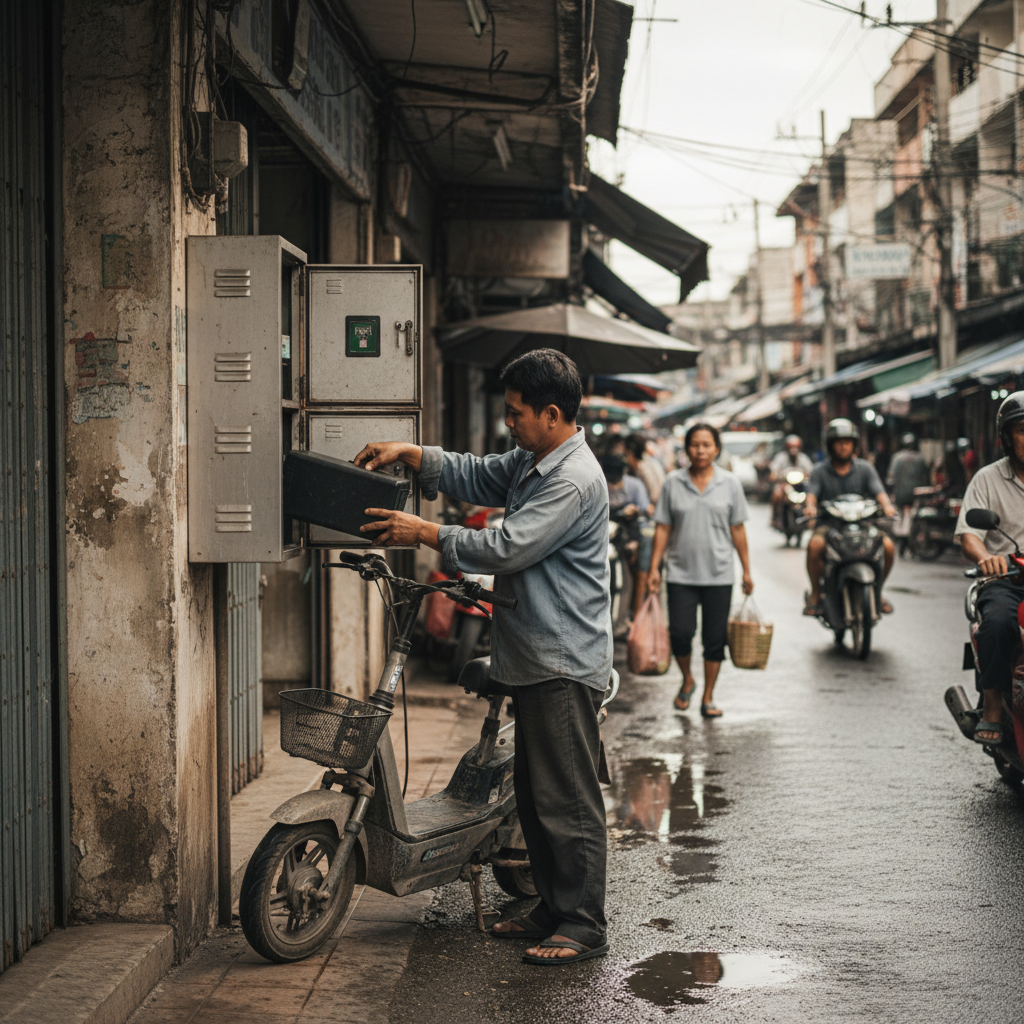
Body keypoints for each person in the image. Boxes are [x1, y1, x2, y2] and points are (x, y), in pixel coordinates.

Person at [353, 348, 611, 965]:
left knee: (567, 800)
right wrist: (415, 454)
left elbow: (506, 545)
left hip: (561, 658)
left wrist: (427, 532)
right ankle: (550, 907)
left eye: (518, 414)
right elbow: (480, 473)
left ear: (553, 414)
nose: (509, 423)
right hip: (531, 652)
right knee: (536, 792)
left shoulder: (573, 479)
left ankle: (582, 923)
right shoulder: (536, 459)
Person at [647, 422, 754, 719]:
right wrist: (654, 567)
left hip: (719, 574)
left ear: (717, 449)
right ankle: (688, 679)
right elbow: (663, 528)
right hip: (681, 573)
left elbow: (738, 529)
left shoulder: (730, 483)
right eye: (695, 444)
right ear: (687, 449)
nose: (701, 450)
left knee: (714, 640)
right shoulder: (672, 483)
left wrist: (746, 571)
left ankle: (708, 696)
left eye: (707, 444)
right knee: (680, 634)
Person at [954, 393, 1024, 745]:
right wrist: (986, 558)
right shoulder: (987, 479)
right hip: (1006, 579)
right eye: (1023, 430)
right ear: (1006, 437)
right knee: (997, 622)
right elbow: (969, 535)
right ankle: (994, 705)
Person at [803, 418, 897, 616]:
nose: (843, 446)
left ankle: (878, 591)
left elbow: (880, 493)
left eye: (847, 441)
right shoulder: (820, 470)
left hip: (863, 524)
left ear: (854, 444)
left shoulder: (865, 468)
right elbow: (811, 495)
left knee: (888, 546)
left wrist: (887, 506)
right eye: (839, 442)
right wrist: (810, 509)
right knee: (814, 546)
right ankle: (816, 592)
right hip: (830, 525)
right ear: (831, 445)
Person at [769, 434, 813, 530]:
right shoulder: (781, 457)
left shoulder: (803, 458)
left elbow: (810, 470)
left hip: (799, 485)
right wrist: (775, 475)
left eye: (795, 448)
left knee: (810, 496)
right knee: (776, 495)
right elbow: (774, 470)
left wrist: (807, 475)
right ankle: (774, 518)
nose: (793, 450)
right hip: (785, 484)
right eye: (791, 448)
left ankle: (809, 518)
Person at [887, 432, 931, 510]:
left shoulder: (896, 458)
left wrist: (892, 493)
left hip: (900, 497)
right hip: (916, 496)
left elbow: (890, 480)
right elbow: (926, 479)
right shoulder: (919, 458)